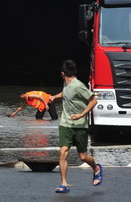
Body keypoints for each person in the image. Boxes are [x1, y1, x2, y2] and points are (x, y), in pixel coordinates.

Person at [50, 60, 102, 193]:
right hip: (65, 124)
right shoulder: (66, 84)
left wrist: (81, 114)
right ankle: (64, 184)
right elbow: (66, 93)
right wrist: (55, 96)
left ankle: (96, 168)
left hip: (79, 125)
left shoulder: (78, 86)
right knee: (63, 152)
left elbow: (93, 100)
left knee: (83, 157)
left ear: (62, 74)